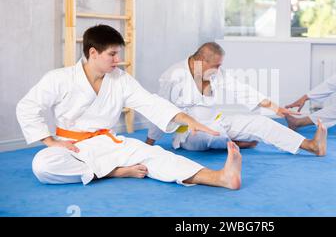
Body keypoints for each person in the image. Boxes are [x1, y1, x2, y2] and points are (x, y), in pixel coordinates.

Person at [16, 25, 242, 190]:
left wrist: (189, 120)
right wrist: (50, 141)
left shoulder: (120, 79)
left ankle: (219, 177)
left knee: (155, 155)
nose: (118, 60)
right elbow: (27, 106)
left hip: (109, 143)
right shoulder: (59, 78)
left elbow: (151, 102)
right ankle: (114, 172)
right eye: (112, 54)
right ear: (93, 53)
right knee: (43, 165)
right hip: (73, 148)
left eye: (118, 54)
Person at [145, 42, 327, 156]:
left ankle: (311, 145)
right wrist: (149, 144)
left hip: (218, 122)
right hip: (190, 135)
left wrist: (276, 109)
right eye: (216, 65)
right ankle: (236, 142)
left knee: (260, 123)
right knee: (207, 136)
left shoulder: (213, 72)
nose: (218, 70)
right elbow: (160, 111)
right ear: (200, 60)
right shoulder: (173, 77)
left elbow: (241, 89)